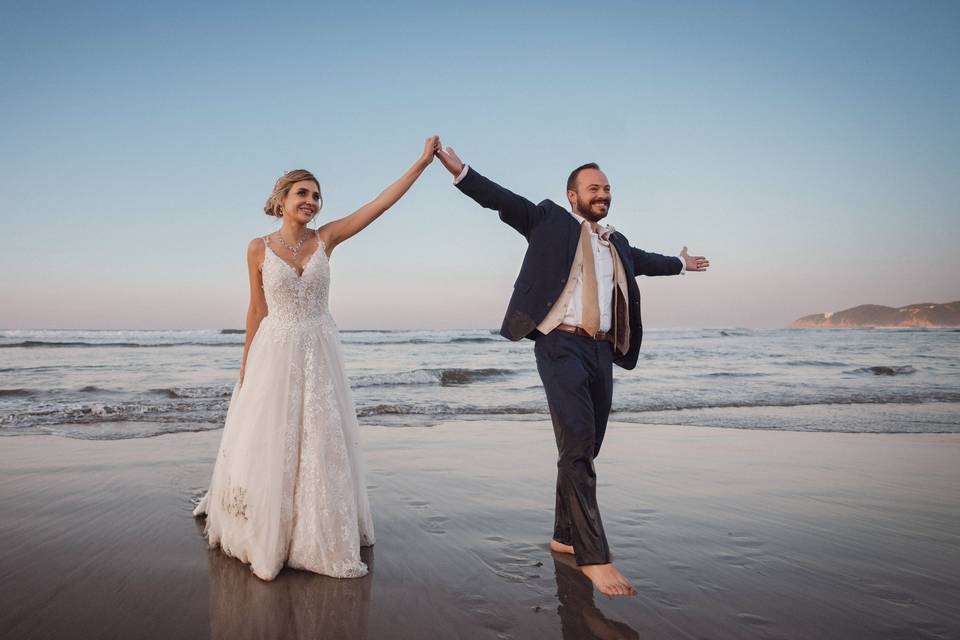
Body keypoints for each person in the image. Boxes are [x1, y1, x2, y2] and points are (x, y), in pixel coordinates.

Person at [434, 144, 709, 596]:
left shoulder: (615, 243)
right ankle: (593, 556)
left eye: (607, 188)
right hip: (559, 343)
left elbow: (649, 263)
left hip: (601, 351)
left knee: (587, 445)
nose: (602, 194)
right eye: (593, 188)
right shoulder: (549, 220)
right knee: (578, 439)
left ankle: (564, 534)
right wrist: (460, 171)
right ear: (571, 195)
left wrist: (682, 263)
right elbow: (501, 199)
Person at [193, 136, 441, 581]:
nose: (311, 201)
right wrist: (246, 363)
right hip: (276, 350)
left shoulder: (327, 238)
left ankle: (316, 530)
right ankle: (265, 527)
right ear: (281, 200)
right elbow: (256, 310)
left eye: (316, 195)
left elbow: (379, 204)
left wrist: (421, 163)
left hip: (320, 351)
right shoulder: (257, 248)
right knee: (272, 440)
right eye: (302, 193)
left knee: (320, 440)